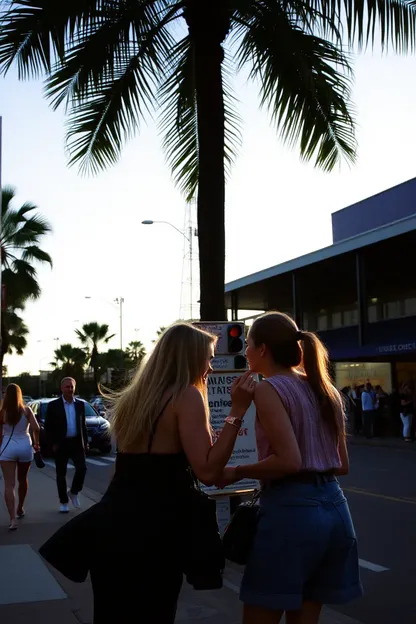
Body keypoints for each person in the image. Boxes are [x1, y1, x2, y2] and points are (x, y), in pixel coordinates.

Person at [39, 322, 255, 623]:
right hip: (154, 533)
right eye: (207, 358)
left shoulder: (136, 399)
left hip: (113, 526)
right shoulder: (187, 396)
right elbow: (207, 471)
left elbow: (126, 469)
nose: (210, 367)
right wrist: (237, 412)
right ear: (188, 358)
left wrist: (248, 470)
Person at [218, 312, 363, 624]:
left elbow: (289, 461)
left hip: (291, 514)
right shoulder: (326, 389)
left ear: (263, 349)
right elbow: (342, 465)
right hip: (336, 510)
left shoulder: (269, 389)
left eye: (249, 344)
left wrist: (236, 471)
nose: (245, 351)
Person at [44, 377, 88, 513]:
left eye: (72, 387)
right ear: (62, 388)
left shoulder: (80, 405)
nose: (70, 389)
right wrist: (52, 444)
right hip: (61, 443)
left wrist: (85, 442)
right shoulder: (53, 405)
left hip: (76, 442)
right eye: (67, 387)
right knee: (60, 474)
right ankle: (63, 502)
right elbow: (48, 427)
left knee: (82, 468)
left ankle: (74, 492)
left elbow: (83, 425)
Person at [0, 383, 40, 530]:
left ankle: (12, 520)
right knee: (22, 479)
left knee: (9, 485)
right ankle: (20, 508)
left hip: (7, 448)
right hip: (25, 447)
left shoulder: (2, 412)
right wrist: (37, 444)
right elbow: (36, 428)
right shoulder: (27, 410)